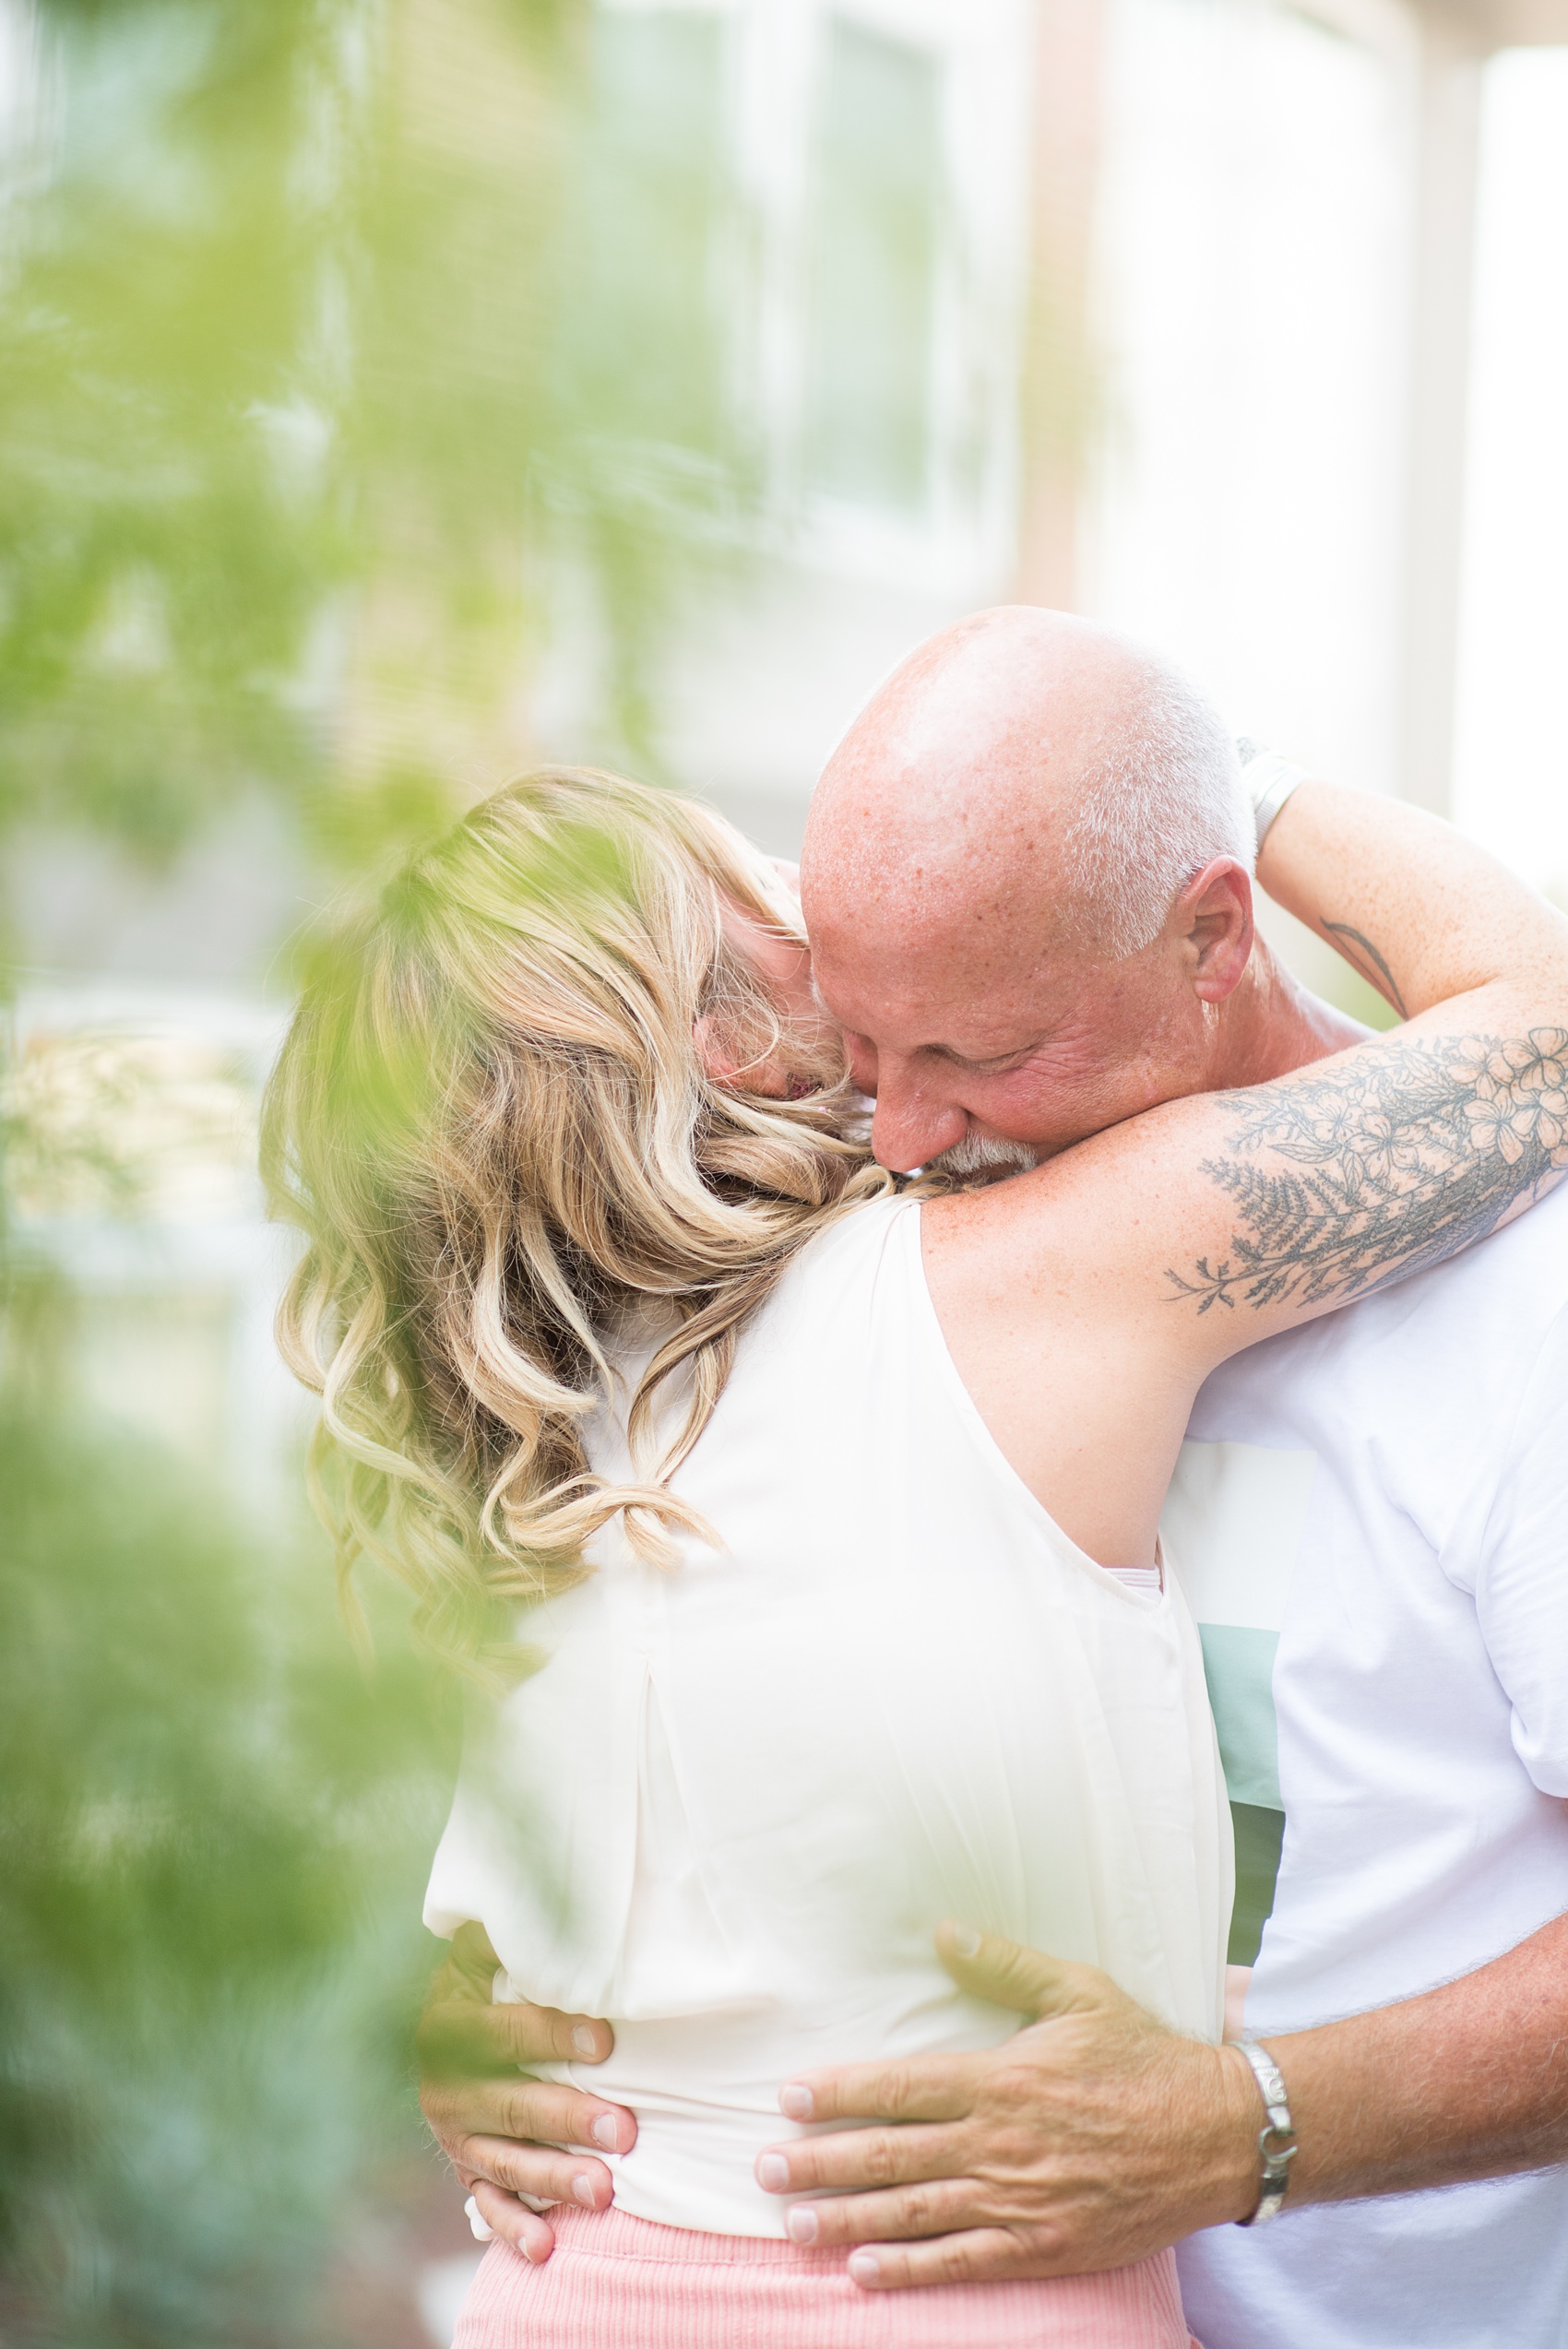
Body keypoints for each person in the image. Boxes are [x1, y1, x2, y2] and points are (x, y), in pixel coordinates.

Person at [280, 641, 1567, 2344]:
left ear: (1208, 931)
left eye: (967, 1039)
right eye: (850, 996)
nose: (896, 1124)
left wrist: (1249, 2122)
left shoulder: (570, 1439)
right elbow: (1538, 1030)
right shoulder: (930, 1293)